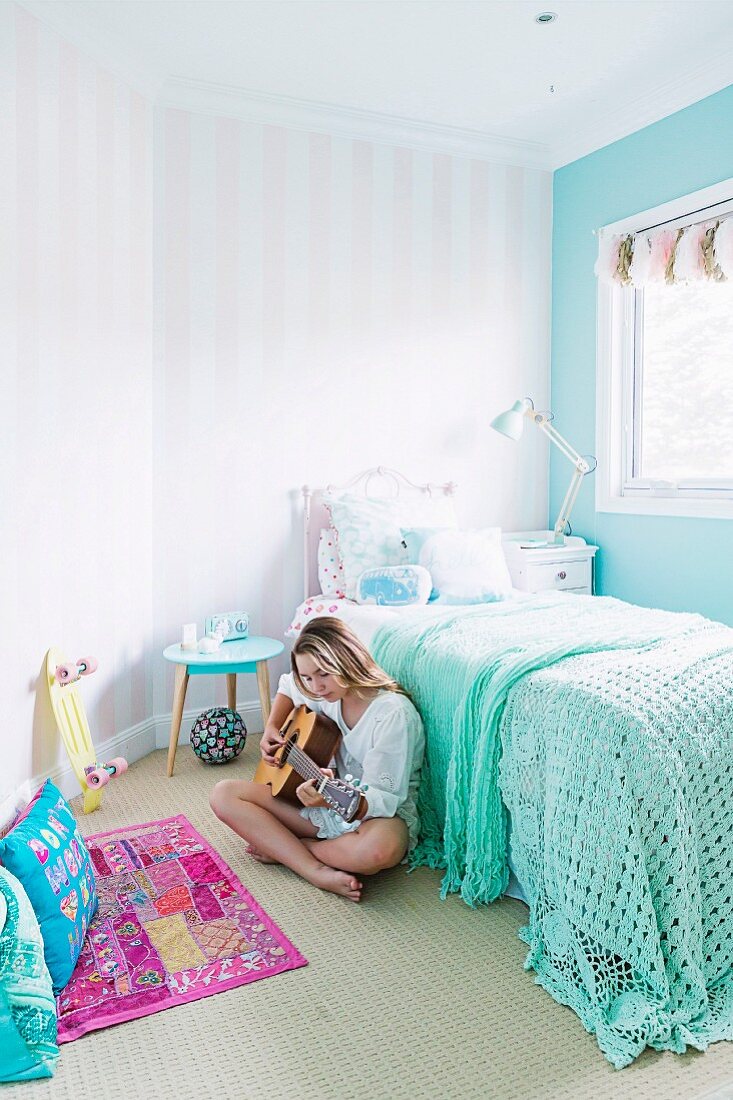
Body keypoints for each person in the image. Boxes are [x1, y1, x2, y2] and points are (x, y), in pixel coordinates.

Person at [210, 617, 424, 902]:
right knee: (223, 793)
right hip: (324, 806)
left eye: (323, 674)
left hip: (378, 816)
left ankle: (288, 849)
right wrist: (273, 727)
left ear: (348, 659)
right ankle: (313, 870)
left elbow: (384, 799)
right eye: (308, 677)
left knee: (377, 851)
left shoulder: (392, 714)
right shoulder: (323, 691)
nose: (317, 687)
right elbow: (289, 685)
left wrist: (328, 797)